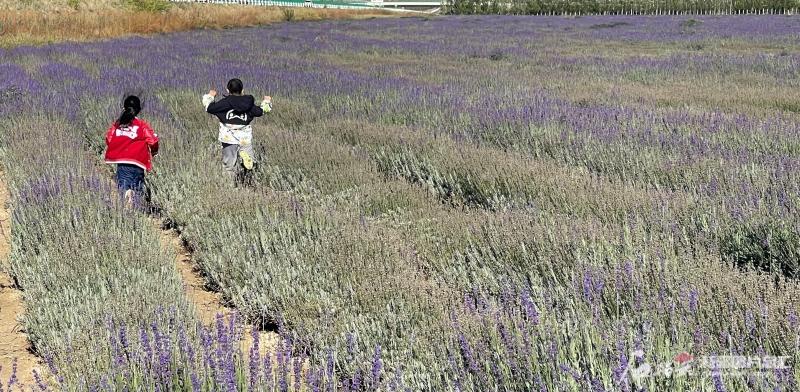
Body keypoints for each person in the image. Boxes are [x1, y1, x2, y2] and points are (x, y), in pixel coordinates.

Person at [202, 78, 272, 183]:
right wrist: (267, 101)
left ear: (227, 90)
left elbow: (209, 108)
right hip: (244, 138)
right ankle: (246, 169)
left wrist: (211, 96)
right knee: (249, 163)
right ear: (242, 90)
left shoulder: (224, 103)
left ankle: (229, 185)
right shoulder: (248, 104)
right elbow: (261, 111)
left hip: (228, 138)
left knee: (229, 164)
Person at [104, 95, 159, 207]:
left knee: (124, 185)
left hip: (123, 162)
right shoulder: (142, 125)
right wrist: (153, 152)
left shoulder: (118, 124)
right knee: (137, 185)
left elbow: (109, 138)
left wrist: (118, 147)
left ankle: (127, 198)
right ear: (138, 110)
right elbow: (153, 141)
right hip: (138, 162)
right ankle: (135, 205)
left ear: (124, 108)